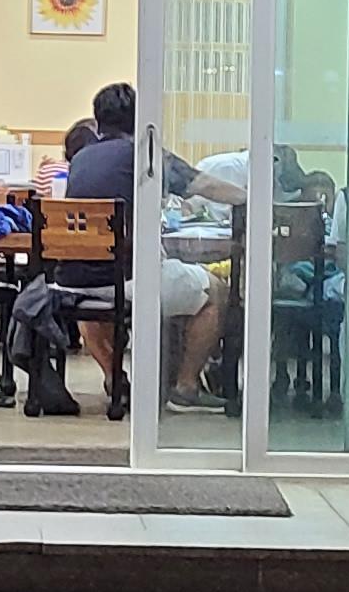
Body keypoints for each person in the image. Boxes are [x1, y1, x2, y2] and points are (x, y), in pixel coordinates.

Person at [43, 80, 224, 401]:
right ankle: (185, 385)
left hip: (73, 282)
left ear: (98, 120)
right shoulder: (144, 155)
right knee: (215, 292)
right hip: (128, 280)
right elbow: (203, 185)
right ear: (141, 118)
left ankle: (114, 377)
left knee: (89, 304)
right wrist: (251, 198)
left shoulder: (81, 158)